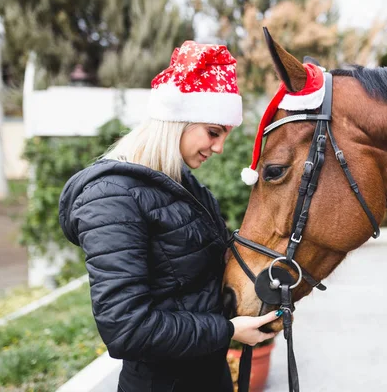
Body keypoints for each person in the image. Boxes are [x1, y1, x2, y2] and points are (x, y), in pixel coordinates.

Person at [58, 41, 278, 392]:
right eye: (213, 131)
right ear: (176, 121)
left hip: (210, 377)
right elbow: (126, 328)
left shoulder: (183, 184)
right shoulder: (111, 198)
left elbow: (199, 280)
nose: (219, 147)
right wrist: (229, 331)